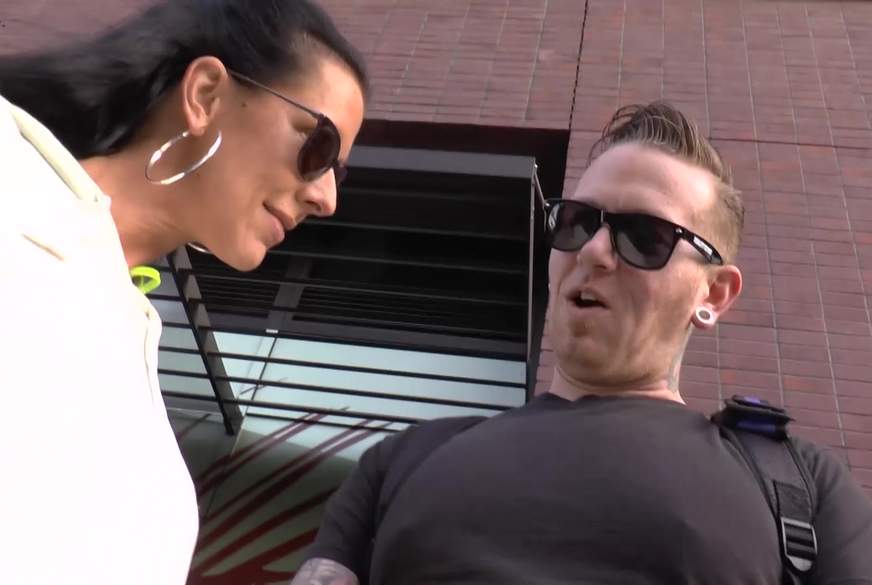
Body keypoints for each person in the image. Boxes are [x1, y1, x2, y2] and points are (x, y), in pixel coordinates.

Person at [293, 103, 872, 585]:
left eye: (644, 236)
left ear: (714, 294)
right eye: (576, 221)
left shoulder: (798, 485)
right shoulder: (402, 461)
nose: (593, 251)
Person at [0, 0, 366, 583]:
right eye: (318, 148)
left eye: (336, 173)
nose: (326, 198)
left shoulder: (135, 354)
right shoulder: (14, 174)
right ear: (205, 95)